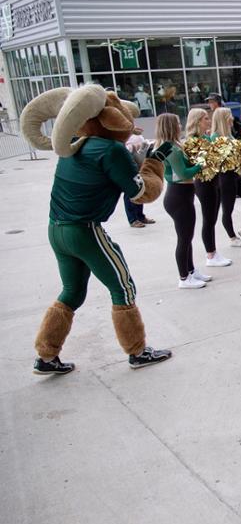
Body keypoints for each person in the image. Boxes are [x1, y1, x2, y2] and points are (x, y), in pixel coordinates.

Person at [22, 85, 172, 375]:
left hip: (57, 229)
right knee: (123, 287)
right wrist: (155, 162)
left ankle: (46, 355)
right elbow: (141, 193)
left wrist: (137, 161)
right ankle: (138, 351)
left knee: (72, 291)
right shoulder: (110, 149)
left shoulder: (76, 144)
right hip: (85, 230)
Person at [155, 113, 211, 289]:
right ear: (171, 126)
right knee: (184, 239)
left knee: (188, 236)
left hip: (182, 195)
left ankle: (191, 271)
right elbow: (183, 174)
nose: (180, 125)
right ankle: (184, 278)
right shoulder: (169, 148)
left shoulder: (173, 145)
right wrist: (201, 163)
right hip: (178, 196)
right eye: (178, 123)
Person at [210, 107, 241, 248]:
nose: (232, 118)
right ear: (223, 119)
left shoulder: (230, 134)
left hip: (235, 175)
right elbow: (219, 160)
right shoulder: (215, 137)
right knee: (228, 210)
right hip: (225, 178)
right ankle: (232, 238)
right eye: (229, 116)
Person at [188, 108, 231, 268]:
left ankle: (213, 252)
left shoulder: (205, 137)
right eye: (205, 118)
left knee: (212, 218)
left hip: (214, 180)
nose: (208, 120)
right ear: (197, 121)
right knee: (208, 219)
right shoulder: (192, 140)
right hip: (204, 183)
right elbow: (201, 164)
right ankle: (210, 254)